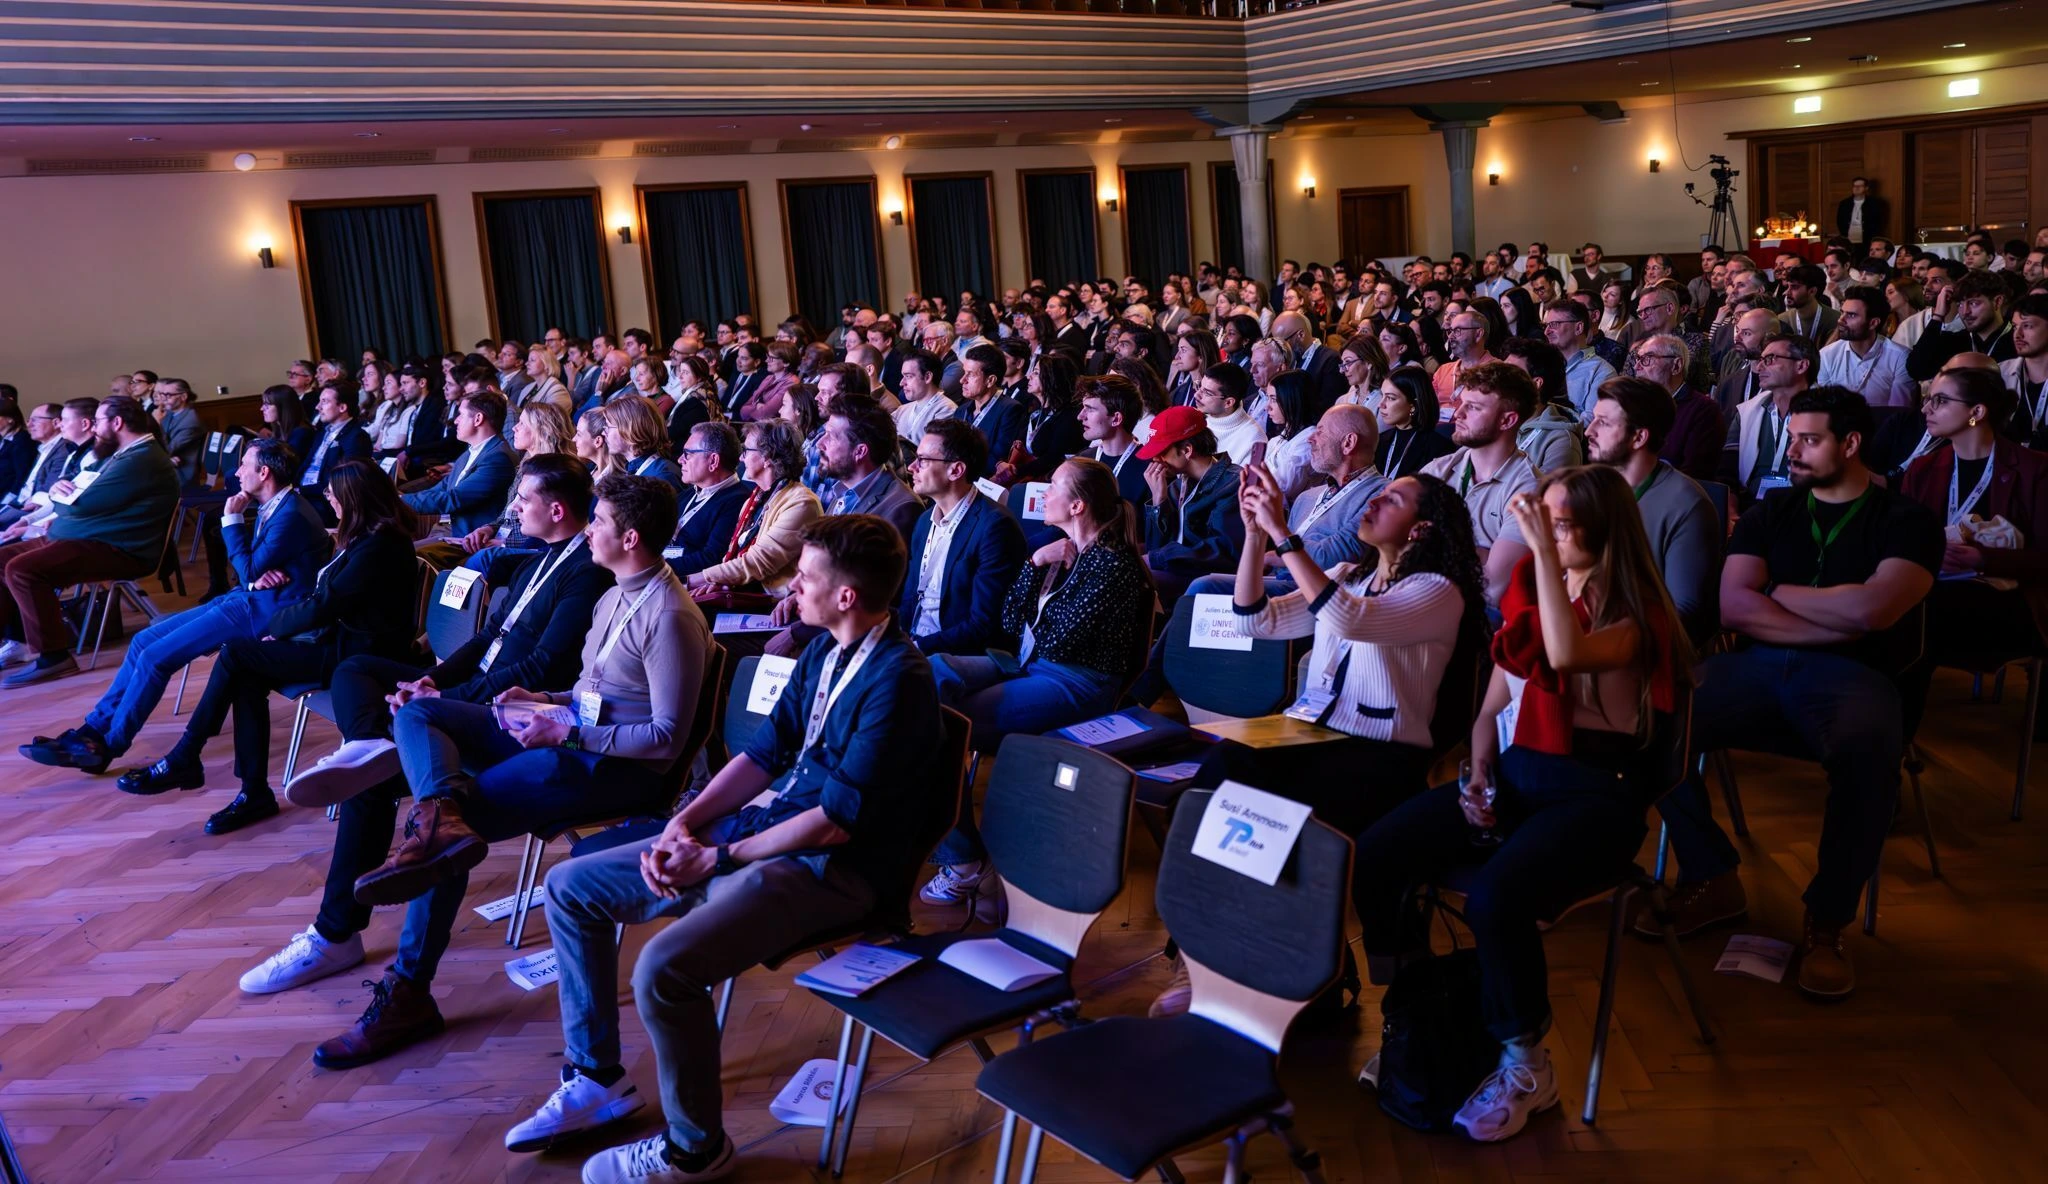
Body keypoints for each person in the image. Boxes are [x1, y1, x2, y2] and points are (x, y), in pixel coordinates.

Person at [502, 515, 940, 1184]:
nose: (793, 584)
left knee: (662, 970)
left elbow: (834, 823)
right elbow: (764, 756)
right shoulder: (823, 651)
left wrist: (721, 857)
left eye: (808, 575)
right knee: (571, 888)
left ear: (846, 595)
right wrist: (688, 823)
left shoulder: (899, 679)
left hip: (831, 871)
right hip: (765, 838)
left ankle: (695, 1150)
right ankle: (596, 1079)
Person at [309, 474, 703, 1070]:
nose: (587, 530)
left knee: (449, 836)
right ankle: (436, 813)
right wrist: (544, 698)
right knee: (419, 715)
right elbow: (598, 690)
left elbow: (666, 740)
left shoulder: (670, 615)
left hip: (615, 768)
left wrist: (564, 728)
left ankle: (409, 988)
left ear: (629, 537)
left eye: (597, 523)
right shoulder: (616, 592)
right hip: (568, 735)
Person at [1354, 464, 1687, 1141]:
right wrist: (1478, 773)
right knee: (1383, 849)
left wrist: (1534, 551)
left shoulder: (1638, 616)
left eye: (1562, 524)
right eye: (1546, 521)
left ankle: (1525, 1064)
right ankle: (1420, 1013)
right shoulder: (1546, 595)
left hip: (1597, 795)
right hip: (1520, 777)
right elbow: (1494, 705)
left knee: (1494, 899)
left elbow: (1563, 656)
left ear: (1605, 530)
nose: (1548, 534)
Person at [235, 455, 612, 1000]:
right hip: (470, 696)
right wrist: (432, 681)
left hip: (513, 713)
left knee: (391, 789)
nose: (514, 508)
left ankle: (337, 935)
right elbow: (487, 641)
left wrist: (445, 702)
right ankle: (370, 744)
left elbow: (538, 670)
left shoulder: (586, 573)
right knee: (356, 670)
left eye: (523, 499)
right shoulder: (540, 559)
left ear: (556, 509)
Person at [1657, 386, 1941, 1001]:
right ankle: (1712, 875)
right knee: (1656, 717)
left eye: (1809, 441)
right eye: (1791, 439)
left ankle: (1827, 922)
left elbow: (1875, 610)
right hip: (1758, 666)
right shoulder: (1772, 511)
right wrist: (1830, 615)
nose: (1794, 453)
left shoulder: (1908, 521)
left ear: (1851, 443)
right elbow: (1733, 606)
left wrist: (1778, 591)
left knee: (1871, 761)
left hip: (1856, 677)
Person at [115, 461, 420, 834]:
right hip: (339, 641)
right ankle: (249, 790)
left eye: (332, 494)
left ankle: (190, 757)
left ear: (353, 499)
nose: (328, 500)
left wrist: (278, 626)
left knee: (239, 654)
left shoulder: (381, 544)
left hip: (358, 657)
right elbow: (323, 595)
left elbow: (326, 604)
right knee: (245, 671)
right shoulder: (367, 536)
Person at [920, 456, 1152, 908]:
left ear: (1079, 506)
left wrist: (1048, 571)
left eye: (1055, 487)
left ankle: (965, 859)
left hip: (1075, 682)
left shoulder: (1113, 566)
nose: (1044, 494)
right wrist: (1033, 562)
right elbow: (1010, 621)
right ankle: (952, 846)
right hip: (1031, 663)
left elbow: (1060, 636)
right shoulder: (1060, 551)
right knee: (927, 676)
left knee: (934, 724)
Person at [21, 440, 331, 773]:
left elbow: (249, 569)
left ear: (264, 472)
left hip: (264, 613)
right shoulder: (277, 505)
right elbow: (253, 571)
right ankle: (91, 730)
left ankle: (109, 746)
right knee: (143, 641)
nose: (237, 471)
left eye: (244, 465)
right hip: (248, 598)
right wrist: (253, 574)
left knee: (156, 658)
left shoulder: (290, 513)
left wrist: (232, 521)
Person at [1897, 367, 2048, 738]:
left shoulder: (2034, 470)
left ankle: (1893, 744)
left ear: (1976, 412)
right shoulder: (1923, 468)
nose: (1926, 409)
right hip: (1935, 590)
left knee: (1911, 617)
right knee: (1896, 611)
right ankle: (1885, 739)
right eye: (1928, 399)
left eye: (1940, 401)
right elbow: (1900, 539)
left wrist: (1984, 559)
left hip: (2012, 601)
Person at [0, 395, 179, 686]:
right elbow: (79, 482)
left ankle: (54, 657)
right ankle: (14, 640)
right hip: (88, 537)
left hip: (119, 548)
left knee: (22, 570)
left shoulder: (142, 458)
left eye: (97, 422)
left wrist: (60, 499)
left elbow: (80, 504)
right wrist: (62, 494)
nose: (94, 428)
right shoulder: (124, 452)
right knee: (3, 561)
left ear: (117, 423)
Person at [1584, 377, 1723, 643]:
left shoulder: (1687, 505)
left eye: (1603, 422)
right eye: (1593, 419)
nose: (1589, 431)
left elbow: (1684, 613)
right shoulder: (1592, 488)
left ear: (1639, 437)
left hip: (1636, 648)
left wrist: (1603, 642)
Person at [899, 419, 1028, 656]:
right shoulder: (924, 521)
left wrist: (916, 648)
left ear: (956, 470)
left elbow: (983, 625)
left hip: (957, 652)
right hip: (915, 643)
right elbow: (910, 597)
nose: (911, 467)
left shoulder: (995, 528)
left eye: (923, 460)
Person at [1421, 362, 1541, 611]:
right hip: (1421, 597)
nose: (1458, 414)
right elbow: (1397, 544)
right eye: (1461, 403)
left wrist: (1434, 540)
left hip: (1474, 621)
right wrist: (1480, 553)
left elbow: (1492, 589)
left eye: (1473, 407)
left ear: (1507, 420)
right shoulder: (1438, 470)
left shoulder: (1529, 492)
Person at [687, 419, 822, 600]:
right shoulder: (755, 499)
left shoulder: (802, 503)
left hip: (773, 605)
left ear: (768, 457)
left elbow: (757, 563)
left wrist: (689, 580)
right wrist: (718, 582)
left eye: (746, 451)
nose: (741, 458)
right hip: (742, 593)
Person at [1138, 405, 1246, 604]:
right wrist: (1158, 501)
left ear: (1187, 450)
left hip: (1209, 578)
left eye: (1161, 452)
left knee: (1133, 579)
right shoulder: (1175, 486)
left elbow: (1224, 551)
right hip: (1179, 571)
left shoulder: (1233, 483)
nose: (1155, 460)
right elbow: (1155, 547)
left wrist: (1160, 558)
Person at [1722, 333, 1817, 505]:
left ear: (1801, 365)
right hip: (1750, 505)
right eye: (1761, 359)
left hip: (1806, 506)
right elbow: (1727, 472)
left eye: (1770, 359)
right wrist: (1731, 510)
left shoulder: (1825, 415)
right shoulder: (1747, 412)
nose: (1759, 367)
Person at [1626, 334, 1725, 482]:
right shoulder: (1634, 406)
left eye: (1647, 359)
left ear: (1676, 366)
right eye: (1638, 359)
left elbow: (1693, 475)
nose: (1636, 367)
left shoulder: (1704, 411)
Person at [812, 404, 919, 539]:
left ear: (860, 452)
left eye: (831, 437)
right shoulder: (843, 489)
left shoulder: (900, 508)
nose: (819, 443)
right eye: (824, 433)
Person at [663, 421, 753, 581]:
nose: (680, 460)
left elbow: (711, 558)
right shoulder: (688, 494)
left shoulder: (737, 502)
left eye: (688, 454)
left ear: (713, 461)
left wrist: (655, 567)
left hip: (683, 584)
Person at [1815, 285, 1916, 408]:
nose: (1841, 320)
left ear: (1873, 323)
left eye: (1851, 315)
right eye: (1842, 313)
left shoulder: (1900, 357)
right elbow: (1825, 407)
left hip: (1884, 426)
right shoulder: (1827, 354)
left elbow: (1898, 411)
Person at [298, 381, 375, 526]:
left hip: (327, 502)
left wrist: (303, 491)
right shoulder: (322, 432)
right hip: (306, 495)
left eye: (324, 402)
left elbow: (345, 481)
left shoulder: (356, 436)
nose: (317, 407)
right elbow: (307, 465)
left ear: (342, 407)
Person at [1074, 373, 1151, 508]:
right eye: (1083, 407)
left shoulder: (1149, 470)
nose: (1080, 416)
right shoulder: (1083, 460)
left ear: (1116, 419)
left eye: (1090, 409)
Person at [949, 343, 1027, 467]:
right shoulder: (961, 410)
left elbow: (998, 459)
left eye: (970, 374)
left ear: (990, 380)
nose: (962, 380)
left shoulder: (1011, 410)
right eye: (964, 372)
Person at [602, 394, 685, 497]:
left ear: (630, 431)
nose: (603, 433)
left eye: (608, 427)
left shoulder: (662, 478)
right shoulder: (633, 469)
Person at [1194, 362, 1263, 464]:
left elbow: (1244, 480)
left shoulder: (1254, 439)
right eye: (1199, 387)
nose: (1196, 395)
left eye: (1207, 393)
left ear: (1228, 402)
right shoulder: (1198, 420)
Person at [1836, 176, 1888, 246]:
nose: (1856, 188)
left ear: (1866, 188)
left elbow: (1878, 222)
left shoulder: (1874, 204)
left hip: (1867, 241)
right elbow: (1840, 221)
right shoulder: (1844, 203)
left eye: (1860, 186)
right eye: (1854, 186)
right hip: (1848, 241)